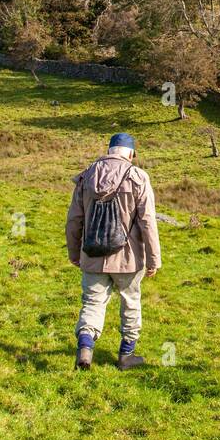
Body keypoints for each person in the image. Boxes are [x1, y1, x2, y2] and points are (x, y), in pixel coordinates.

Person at [66, 132, 161, 371]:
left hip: (92, 254)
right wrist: (153, 259)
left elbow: (74, 220)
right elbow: (148, 221)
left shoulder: (87, 175)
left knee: (92, 302)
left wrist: (74, 253)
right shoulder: (138, 176)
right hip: (128, 258)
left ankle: (86, 349)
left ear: (109, 150)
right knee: (130, 301)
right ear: (130, 153)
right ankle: (126, 355)